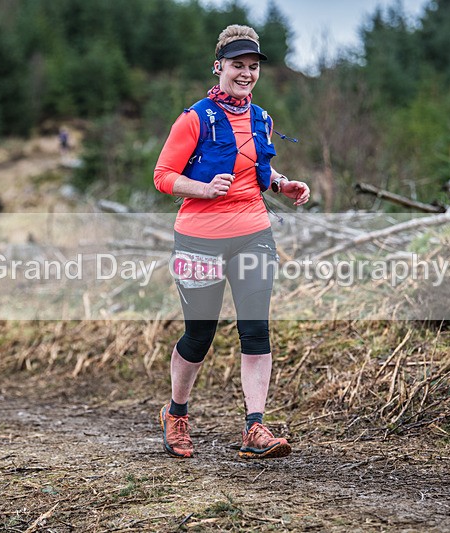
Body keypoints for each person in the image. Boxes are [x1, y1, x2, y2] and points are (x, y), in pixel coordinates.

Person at [153, 24, 310, 459]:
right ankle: (176, 414)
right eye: (237, 65)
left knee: (255, 329)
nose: (245, 74)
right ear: (218, 67)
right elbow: (162, 175)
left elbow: (255, 170)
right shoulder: (194, 119)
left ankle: (255, 428)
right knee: (200, 334)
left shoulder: (261, 118)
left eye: (252, 67)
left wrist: (281, 183)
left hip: (253, 234)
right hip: (199, 239)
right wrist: (202, 189)